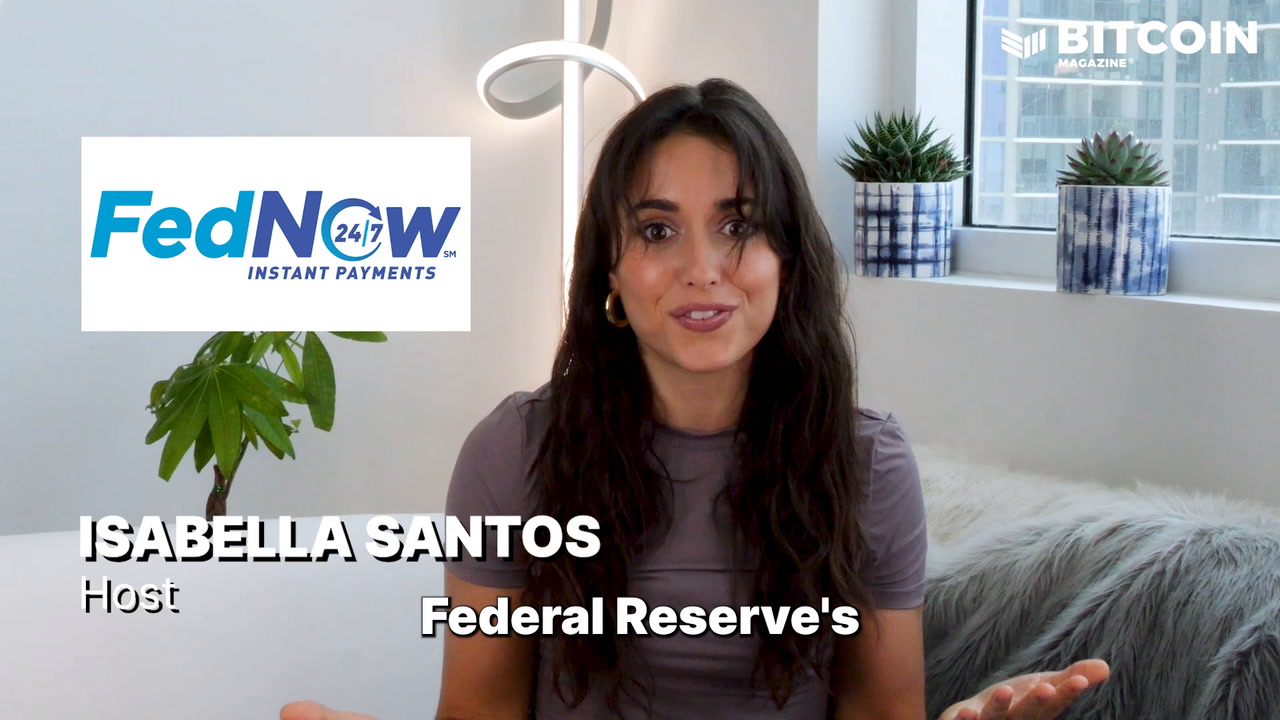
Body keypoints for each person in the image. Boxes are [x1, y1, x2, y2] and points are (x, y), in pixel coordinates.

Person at [280, 78, 1109, 720]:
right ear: (610, 269)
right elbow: (480, 710)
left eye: (739, 225)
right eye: (657, 230)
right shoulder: (513, 452)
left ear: (787, 259)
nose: (702, 269)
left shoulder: (867, 464)